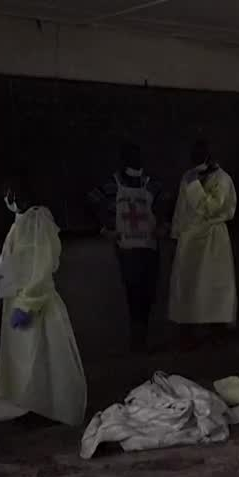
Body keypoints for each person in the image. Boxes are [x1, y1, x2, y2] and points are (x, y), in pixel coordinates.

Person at [0, 181, 86, 427]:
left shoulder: (39, 220)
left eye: (11, 194)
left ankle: (48, 408)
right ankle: (30, 405)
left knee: (41, 358)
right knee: (25, 359)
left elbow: (42, 265)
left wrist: (28, 303)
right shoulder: (19, 222)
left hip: (37, 302)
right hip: (19, 299)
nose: (8, 199)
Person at [87, 143, 164, 353]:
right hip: (127, 249)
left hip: (149, 247)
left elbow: (165, 206)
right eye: (131, 156)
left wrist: (162, 225)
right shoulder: (112, 184)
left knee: (148, 293)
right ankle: (137, 340)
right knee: (133, 291)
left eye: (138, 156)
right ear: (123, 159)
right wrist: (105, 227)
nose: (136, 160)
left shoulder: (151, 184)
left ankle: (142, 337)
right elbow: (91, 201)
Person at [169, 139, 237, 349]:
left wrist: (195, 187)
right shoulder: (188, 176)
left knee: (213, 284)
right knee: (188, 285)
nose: (195, 156)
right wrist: (176, 233)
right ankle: (188, 333)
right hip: (190, 239)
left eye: (200, 152)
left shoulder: (222, 178)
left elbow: (211, 207)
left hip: (213, 239)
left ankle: (217, 331)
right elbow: (181, 208)